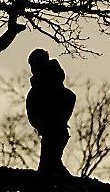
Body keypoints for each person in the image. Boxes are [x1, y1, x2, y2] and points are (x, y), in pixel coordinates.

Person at [25, 48, 77, 176]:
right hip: (53, 130)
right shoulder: (46, 84)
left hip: (54, 130)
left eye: (34, 65)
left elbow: (70, 96)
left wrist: (56, 120)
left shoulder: (48, 84)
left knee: (48, 168)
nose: (32, 69)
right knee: (51, 165)